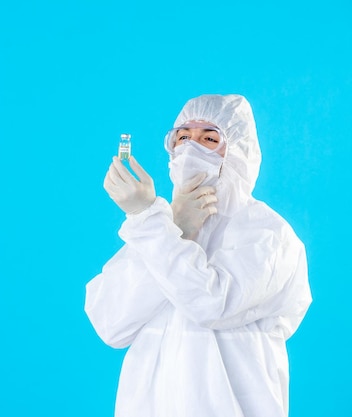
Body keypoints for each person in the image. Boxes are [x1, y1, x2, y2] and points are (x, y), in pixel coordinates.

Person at [84, 94, 312, 417]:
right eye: (182, 137)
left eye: (209, 138)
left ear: (239, 150)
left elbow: (210, 302)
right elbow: (109, 321)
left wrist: (153, 222)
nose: (191, 147)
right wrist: (172, 224)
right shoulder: (163, 229)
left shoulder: (268, 235)